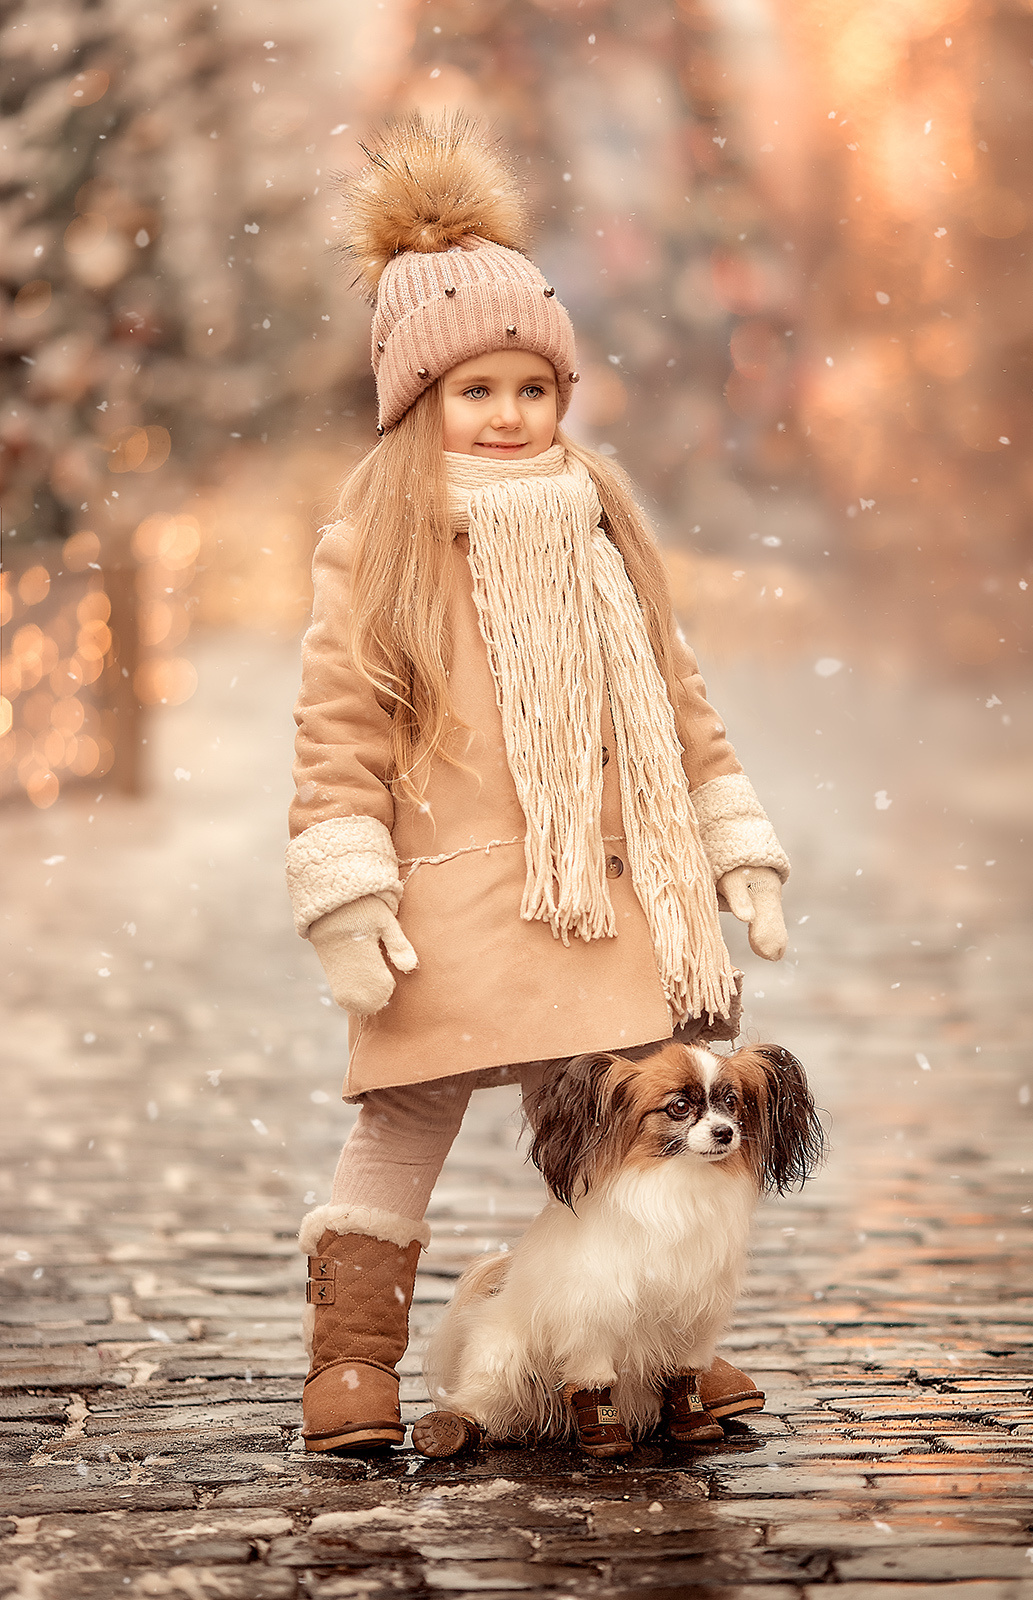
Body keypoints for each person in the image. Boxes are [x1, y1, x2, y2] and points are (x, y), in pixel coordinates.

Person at [286, 113, 792, 1454]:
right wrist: (346, 883)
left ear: (562, 397)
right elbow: (338, 721)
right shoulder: (382, 540)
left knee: (608, 1134)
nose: (508, 417)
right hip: (453, 900)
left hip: (608, 904)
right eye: (474, 392)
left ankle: (642, 1341)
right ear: (417, 403)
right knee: (402, 1125)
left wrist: (735, 837)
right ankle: (353, 1367)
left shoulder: (603, 523)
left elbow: (680, 700)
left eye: (531, 390)